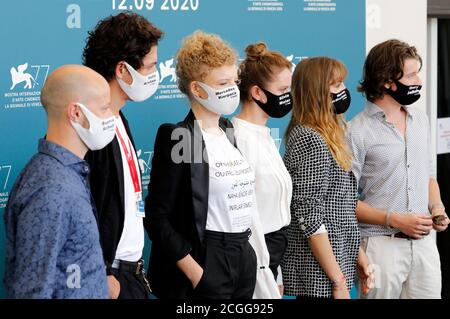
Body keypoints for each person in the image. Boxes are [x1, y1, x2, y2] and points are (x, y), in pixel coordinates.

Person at [145, 31, 257, 299]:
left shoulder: (228, 130)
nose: (232, 88)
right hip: (207, 260)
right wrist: (196, 272)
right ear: (197, 88)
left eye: (234, 80)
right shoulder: (184, 136)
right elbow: (157, 216)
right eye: (222, 83)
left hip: (242, 255)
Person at [347, 39, 449, 299]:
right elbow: (343, 201)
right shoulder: (355, 131)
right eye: (412, 75)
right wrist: (393, 219)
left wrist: (437, 208)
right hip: (380, 248)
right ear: (386, 81)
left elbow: (428, 175)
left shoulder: (421, 120)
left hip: (425, 247)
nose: (419, 82)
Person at [4, 65, 114, 298]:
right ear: (76, 113)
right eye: (104, 108)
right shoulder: (52, 189)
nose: (111, 117)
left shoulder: (67, 174)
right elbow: (31, 290)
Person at [82, 12, 163, 299]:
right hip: (110, 277)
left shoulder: (119, 119)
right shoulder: (90, 129)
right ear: (122, 70)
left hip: (132, 274)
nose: (155, 75)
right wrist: (103, 275)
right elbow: (83, 207)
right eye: (151, 67)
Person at [282, 57, 372, 299]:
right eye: (336, 85)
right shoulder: (309, 138)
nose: (344, 91)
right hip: (319, 277)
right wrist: (338, 280)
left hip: (337, 266)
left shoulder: (332, 135)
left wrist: (358, 256)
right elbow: (309, 214)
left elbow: (340, 205)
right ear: (318, 91)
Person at [232, 42, 292, 298]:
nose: (289, 96)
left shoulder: (264, 135)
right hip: (254, 257)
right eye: (283, 90)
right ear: (257, 92)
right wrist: (263, 269)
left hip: (274, 253)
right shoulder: (238, 138)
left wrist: (275, 272)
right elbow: (246, 212)